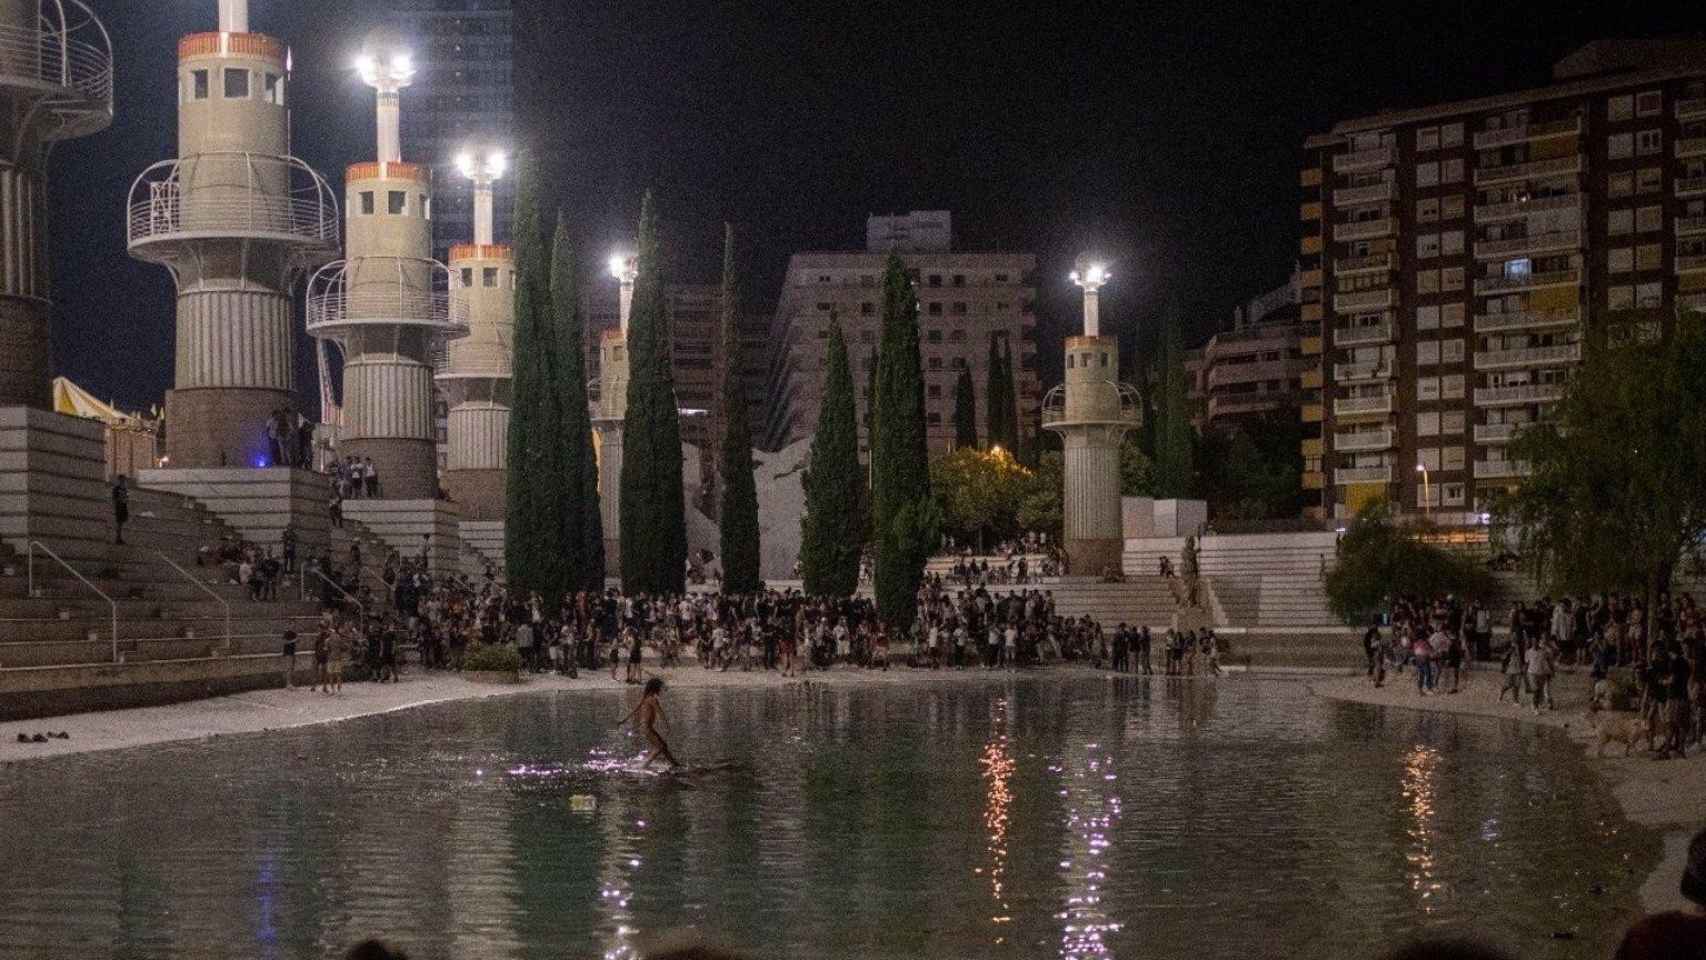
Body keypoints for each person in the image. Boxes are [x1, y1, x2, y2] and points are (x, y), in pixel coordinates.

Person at [618, 677, 681, 770]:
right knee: (659, 747)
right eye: (659, 688)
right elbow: (660, 712)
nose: (660, 690)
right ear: (655, 688)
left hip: (645, 727)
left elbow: (635, 709)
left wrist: (624, 720)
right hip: (647, 728)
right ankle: (643, 766)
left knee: (664, 746)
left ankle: (675, 765)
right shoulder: (652, 699)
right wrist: (666, 725)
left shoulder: (645, 697)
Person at [111, 475, 129, 545]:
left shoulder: (124, 488)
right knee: (119, 523)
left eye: (124, 480)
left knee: (121, 523)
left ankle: (119, 538)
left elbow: (127, 497)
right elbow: (114, 498)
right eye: (122, 480)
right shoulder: (117, 488)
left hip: (123, 506)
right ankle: (118, 538)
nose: (124, 481)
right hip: (119, 506)